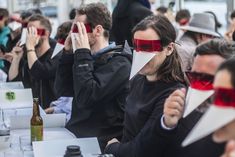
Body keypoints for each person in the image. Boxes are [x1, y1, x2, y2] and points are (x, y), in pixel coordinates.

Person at [105, 14, 185, 157]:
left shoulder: (172, 94)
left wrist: (114, 148)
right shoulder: (137, 79)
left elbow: (143, 148)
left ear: (169, 48)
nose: (140, 53)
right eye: (137, 46)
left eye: (148, 47)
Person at [61, 3, 132, 152]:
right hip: (77, 136)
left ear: (98, 30)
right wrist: (67, 55)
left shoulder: (120, 63)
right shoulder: (85, 57)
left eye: (79, 29)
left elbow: (87, 96)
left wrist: (82, 53)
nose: (74, 34)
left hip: (98, 143)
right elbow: (62, 89)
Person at [6, 14, 60, 109]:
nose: (29, 36)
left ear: (46, 34)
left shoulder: (57, 54)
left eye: (33, 32)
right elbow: (13, 82)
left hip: (51, 112)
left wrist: (30, 48)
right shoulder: (28, 55)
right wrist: (16, 59)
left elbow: (39, 72)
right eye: (27, 31)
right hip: (31, 111)